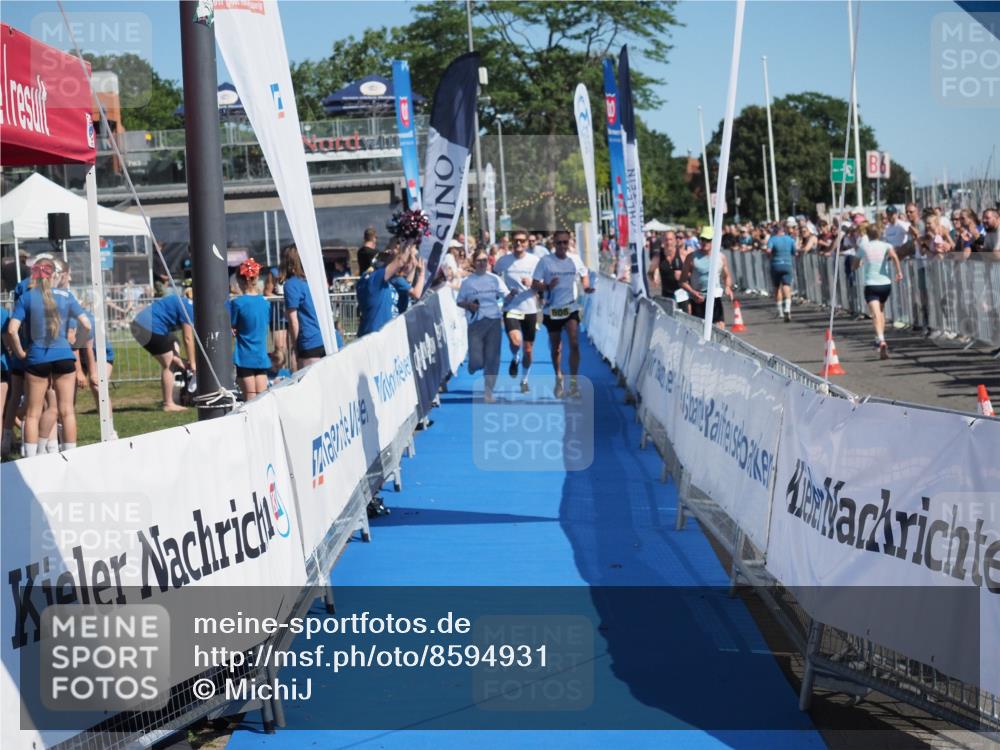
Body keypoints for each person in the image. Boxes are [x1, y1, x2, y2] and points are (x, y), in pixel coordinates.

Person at [5, 258, 90, 457]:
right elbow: (86, 325)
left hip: (37, 358)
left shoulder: (26, 297)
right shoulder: (67, 296)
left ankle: (32, 459)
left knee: (32, 413)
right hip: (64, 356)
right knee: (66, 410)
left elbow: (11, 330)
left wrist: (20, 353)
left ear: (33, 275)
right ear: (54, 275)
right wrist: (75, 345)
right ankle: (71, 456)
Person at [532, 229, 594, 399]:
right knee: (556, 347)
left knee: (574, 343)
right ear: (553, 244)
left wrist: (587, 287)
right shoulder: (545, 261)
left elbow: (584, 274)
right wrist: (547, 287)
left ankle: (573, 382)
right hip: (552, 309)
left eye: (565, 242)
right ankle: (559, 377)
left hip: (570, 307)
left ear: (569, 243)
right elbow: (535, 283)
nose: (562, 246)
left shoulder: (574, 259)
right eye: (559, 242)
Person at [130, 290, 196, 412]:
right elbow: (188, 339)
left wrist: (176, 354)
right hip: (149, 328)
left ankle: (177, 359)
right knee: (169, 365)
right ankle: (168, 404)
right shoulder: (189, 308)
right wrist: (193, 363)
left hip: (138, 324)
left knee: (174, 340)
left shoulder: (182, 300)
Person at [457, 250, 509, 403]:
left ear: (488, 262)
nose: (482, 263)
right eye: (479, 260)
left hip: (493, 320)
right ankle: (473, 365)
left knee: (493, 358)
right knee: (477, 361)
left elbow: (505, 295)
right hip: (476, 322)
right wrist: (469, 305)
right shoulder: (467, 282)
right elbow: (459, 301)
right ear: (474, 262)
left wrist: (512, 293)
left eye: (485, 260)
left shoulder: (495, 279)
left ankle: (488, 392)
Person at [493, 229, 540, 393]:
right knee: (515, 342)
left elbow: (542, 285)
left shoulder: (535, 261)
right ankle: (514, 357)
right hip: (511, 307)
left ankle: (524, 380)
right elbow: (493, 277)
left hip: (529, 309)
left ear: (527, 243)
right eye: (516, 241)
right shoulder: (504, 261)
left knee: (528, 349)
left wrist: (532, 283)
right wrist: (504, 292)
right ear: (512, 243)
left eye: (522, 241)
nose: (519, 243)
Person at [854, 224, 903, 360]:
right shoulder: (886, 245)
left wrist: (857, 266)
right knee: (880, 312)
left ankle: (881, 340)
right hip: (885, 284)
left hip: (871, 284)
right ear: (880, 234)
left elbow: (855, 262)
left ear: (867, 235)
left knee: (875, 314)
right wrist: (899, 272)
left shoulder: (864, 247)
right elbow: (894, 257)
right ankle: (879, 338)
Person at [356, 243, 423, 337]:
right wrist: (410, 241)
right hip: (377, 335)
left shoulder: (368, 278)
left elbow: (407, 283)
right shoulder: (376, 279)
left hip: (380, 332)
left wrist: (413, 267)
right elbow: (416, 293)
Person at [229, 258, 271, 401]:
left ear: (240, 281)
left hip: (244, 356)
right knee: (261, 399)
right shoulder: (265, 303)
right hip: (260, 355)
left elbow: (232, 325)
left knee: (249, 399)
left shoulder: (237, 304)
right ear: (257, 278)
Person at [282, 245, 327, 370]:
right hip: (327, 339)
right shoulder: (314, 281)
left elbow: (293, 320)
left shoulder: (291, 285)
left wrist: (295, 348)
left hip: (309, 342)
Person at [679, 226, 734, 329]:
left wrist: (727, 287)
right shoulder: (691, 257)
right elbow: (682, 281)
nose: (705, 242)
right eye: (703, 239)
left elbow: (727, 276)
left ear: (714, 241)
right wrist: (692, 292)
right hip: (698, 298)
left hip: (715, 297)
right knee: (700, 331)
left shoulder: (720, 257)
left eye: (708, 240)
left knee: (719, 328)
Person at [72, 306, 116, 432]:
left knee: (98, 386)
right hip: (79, 352)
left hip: (100, 353)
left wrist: (91, 374)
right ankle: (62, 434)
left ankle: (110, 431)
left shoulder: (84, 320)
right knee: (68, 391)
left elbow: (88, 348)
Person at [766, 220, 798, 322]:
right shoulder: (790, 239)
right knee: (786, 286)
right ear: (784, 230)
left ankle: (780, 311)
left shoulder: (772, 239)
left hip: (775, 265)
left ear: (775, 230)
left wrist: (770, 257)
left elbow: (768, 251)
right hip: (787, 264)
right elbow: (794, 252)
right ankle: (787, 309)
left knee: (777, 288)